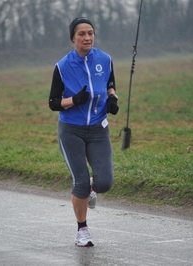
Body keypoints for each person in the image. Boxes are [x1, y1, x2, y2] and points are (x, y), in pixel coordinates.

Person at [48, 17, 119, 247]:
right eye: (81, 34)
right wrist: (74, 100)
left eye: (90, 33)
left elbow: (110, 84)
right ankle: (82, 231)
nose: (87, 37)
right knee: (79, 183)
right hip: (71, 130)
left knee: (104, 182)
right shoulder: (62, 66)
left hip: (98, 128)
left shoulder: (105, 59)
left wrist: (112, 100)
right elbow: (53, 102)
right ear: (73, 38)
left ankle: (89, 186)